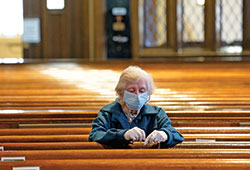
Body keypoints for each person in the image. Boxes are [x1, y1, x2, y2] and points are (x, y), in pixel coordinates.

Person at [88, 66, 184, 148]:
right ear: (121, 93)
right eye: (132, 90)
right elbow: (95, 135)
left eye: (142, 90)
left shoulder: (157, 113)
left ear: (148, 93)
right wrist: (124, 135)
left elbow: (177, 135)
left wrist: (165, 134)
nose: (137, 95)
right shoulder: (108, 112)